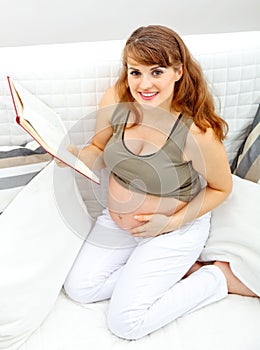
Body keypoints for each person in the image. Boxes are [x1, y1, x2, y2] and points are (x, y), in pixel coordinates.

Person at [61, 25, 256, 340]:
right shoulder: (117, 99)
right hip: (118, 222)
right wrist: (71, 156)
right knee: (79, 288)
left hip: (173, 228)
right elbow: (97, 148)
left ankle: (216, 279)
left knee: (125, 323)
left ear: (178, 71)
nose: (144, 84)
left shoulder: (196, 133)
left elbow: (222, 188)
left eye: (157, 71)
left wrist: (169, 222)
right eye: (135, 72)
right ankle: (175, 271)